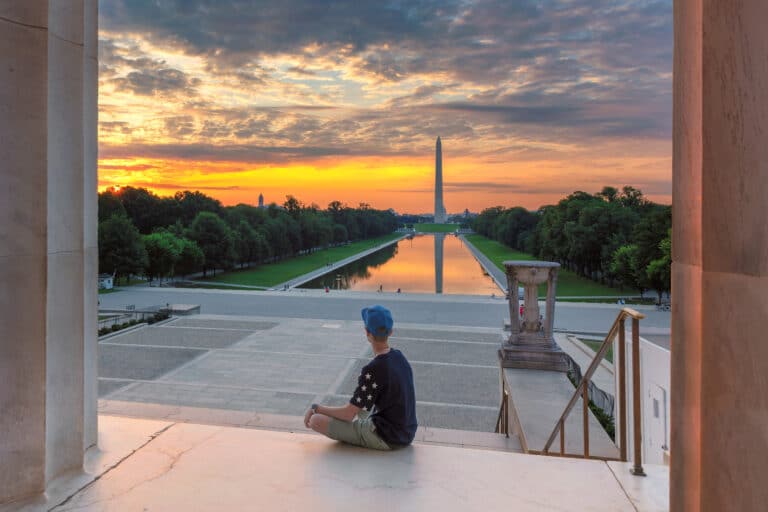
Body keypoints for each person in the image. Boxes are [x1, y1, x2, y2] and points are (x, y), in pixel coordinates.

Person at [304, 305, 417, 450]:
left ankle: (358, 433)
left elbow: (348, 415)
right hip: (406, 433)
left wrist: (317, 408)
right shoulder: (399, 357)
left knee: (316, 420)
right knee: (362, 408)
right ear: (390, 331)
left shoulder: (373, 369)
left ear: (367, 332)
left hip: (386, 437)